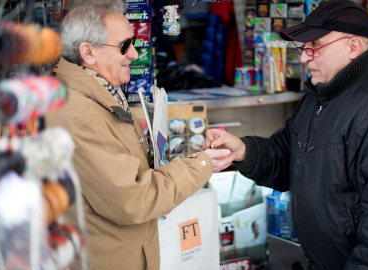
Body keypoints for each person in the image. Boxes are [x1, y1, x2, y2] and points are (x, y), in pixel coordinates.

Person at [202, 0, 368, 269]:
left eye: (314, 47)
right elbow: (289, 156)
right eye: (303, 48)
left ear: (353, 47)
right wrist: (242, 150)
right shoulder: (319, 95)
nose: (303, 57)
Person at [45, 0, 231, 269]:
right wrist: (201, 165)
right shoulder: (79, 112)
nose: (134, 54)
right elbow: (133, 198)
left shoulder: (100, 94)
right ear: (88, 52)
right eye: (124, 45)